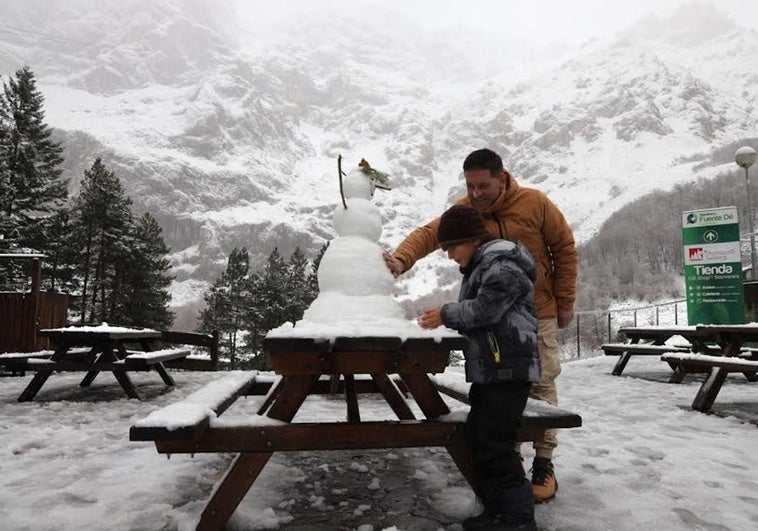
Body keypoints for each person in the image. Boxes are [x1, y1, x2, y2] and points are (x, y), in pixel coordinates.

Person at [385, 148, 577, 502]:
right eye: (470, 186)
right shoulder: (467, 211)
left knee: (542, 385)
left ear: (502, 177)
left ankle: (544, 462)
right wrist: (400, 258)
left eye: (482, 185)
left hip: (540, 309)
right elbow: (430, 232)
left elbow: (564, 248)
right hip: (494, 323)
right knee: (502, 391)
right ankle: (511, 463)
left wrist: (565, 301)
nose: (475, 193)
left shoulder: (535, 203)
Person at [418, 204, 539, 531]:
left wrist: (446, 314)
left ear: (472, 239)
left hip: (509, 368)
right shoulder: (484, 264)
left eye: (452, 247)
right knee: (480, 437)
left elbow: (487, 310)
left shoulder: (503, 264)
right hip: (493, 368)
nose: (449, 256)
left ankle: (518, 520)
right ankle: (495, 511)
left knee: (494, 442)